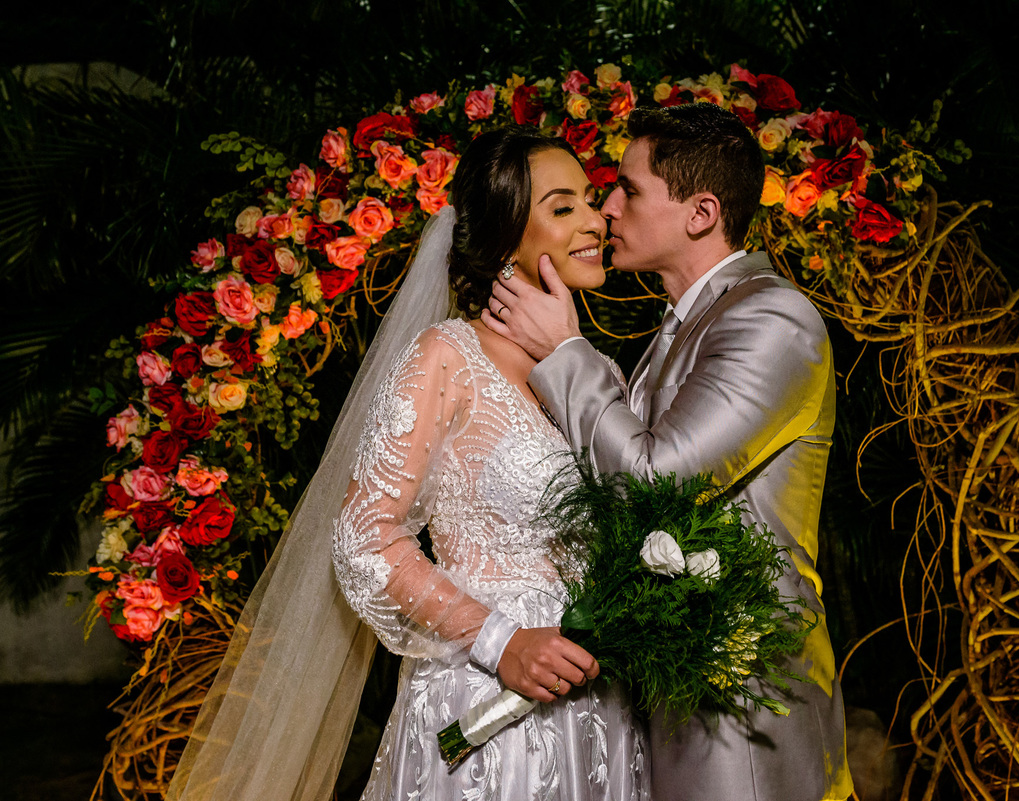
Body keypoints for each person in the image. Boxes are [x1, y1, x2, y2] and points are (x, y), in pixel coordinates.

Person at [166, 128, 648, 801]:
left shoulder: (592, 373)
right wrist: (501, 641)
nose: (597, 219)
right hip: (486, 707)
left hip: (595, 708)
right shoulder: (446, 358)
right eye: (565, 207)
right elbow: (365, 534)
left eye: (592, 201)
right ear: (508, 233)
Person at [483, 103, 854, 801]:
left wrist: (564, 351)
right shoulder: (681, 325)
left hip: (742, 696)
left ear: (701, 212)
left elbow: (654, 482)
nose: (607, 209)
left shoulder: (772, 319)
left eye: (628, 189)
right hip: (663, 689)